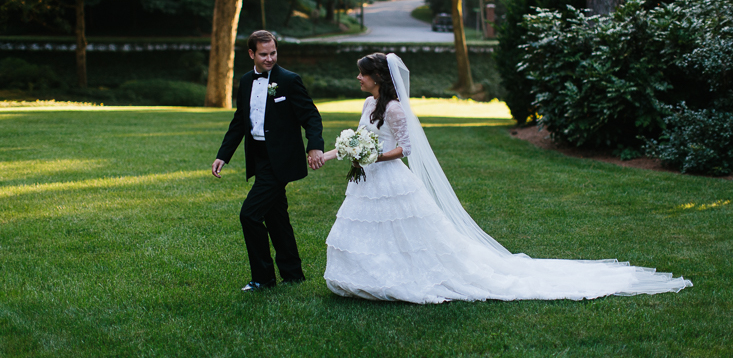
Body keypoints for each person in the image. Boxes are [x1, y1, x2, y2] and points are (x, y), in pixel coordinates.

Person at [320, 52, 692, 304]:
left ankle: (407, 278)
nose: (358, 78)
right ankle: (368, 277)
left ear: (376, 77)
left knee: (410, 235)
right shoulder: (369, 104)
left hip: (390, 177)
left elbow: (405, 149)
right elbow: (359, 140)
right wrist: (333, 153)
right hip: (368, 181)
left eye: (362, 74)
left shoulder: (398, 110)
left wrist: (373, 156)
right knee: (371, 232)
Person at [212, 30, 325, 292]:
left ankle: (263, 278)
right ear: (252, 54)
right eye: (264, 54)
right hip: (259, 157)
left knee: (249, 215)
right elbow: (240, 121)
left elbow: (311, 116)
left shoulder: (288, 80)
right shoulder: (246, 81)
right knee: (276, 217)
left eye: (273, 53)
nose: (270, 58)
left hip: (281, 160)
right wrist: (223, 155)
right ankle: (293, 274)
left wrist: (315, 147)